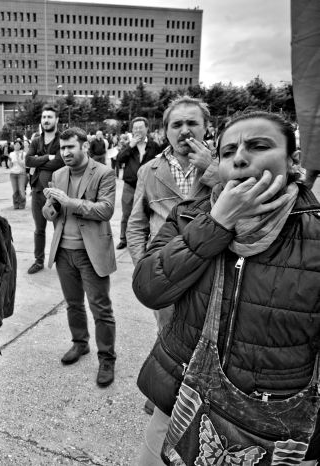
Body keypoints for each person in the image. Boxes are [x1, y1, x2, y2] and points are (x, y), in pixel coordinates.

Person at [134, 110, 320, 465]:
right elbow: (149, 287)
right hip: (182, 398)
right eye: (229, 151)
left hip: (269, 425)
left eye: (258, 146)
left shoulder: (314, 232)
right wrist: (218, 222)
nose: (240, 158)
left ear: (292, 160)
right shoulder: (190, 215)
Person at [126, 96, 218, 331]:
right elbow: (136, 225)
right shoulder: (149, 170)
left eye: (192, 123)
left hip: (212, 272)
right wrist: (144, 266)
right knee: (167, 335)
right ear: (166, 131)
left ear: (206, 127)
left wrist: (211, 168)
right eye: (177, 125)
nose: (185, 130)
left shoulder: (225, 164)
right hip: (166, 273)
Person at [42, 127, 117, 386]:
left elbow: (106, 210)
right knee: (73, 304)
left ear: (84, 146)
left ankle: (107, 358)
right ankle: (80, 342)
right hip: (64, 251)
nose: (65, 152)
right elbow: (51, 215)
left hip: (91, 252)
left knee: (100, 308)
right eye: (62, 148)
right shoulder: (58, 174)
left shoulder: (104, 173)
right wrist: (50, 205)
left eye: (70, 147)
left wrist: (69, 201)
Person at [25, 105, 65, 274]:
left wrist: (39, 160)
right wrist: (47, 157)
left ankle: (63, 262)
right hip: (37, 191)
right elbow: (28, 161)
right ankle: (38, 261)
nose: (46, 120)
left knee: (59, 229)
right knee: (39, 230)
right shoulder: (36, 141)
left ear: (56, 120)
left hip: (57, 193)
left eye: (49, 117)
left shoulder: (62, 140)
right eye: (44, 117)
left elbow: (59, 162)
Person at [115, 117, 162, 250]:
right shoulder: (128, 146)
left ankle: (145, 239)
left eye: (140, 127)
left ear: (147, 128)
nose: (138, 130)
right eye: (135, 128)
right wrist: (130, 146)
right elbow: (119, 159)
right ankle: (123, 239)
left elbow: (160, 163)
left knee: (148, 213)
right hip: (130, 185)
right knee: (126, 213)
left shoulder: (154, 146)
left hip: (148, 185)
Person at [8, 139, 27, 209]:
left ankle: (22, 204)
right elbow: (9, 166)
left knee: (21, 189)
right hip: (13, 174)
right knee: (15, 190)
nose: (16, 146)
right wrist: (10, 162)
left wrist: (18, 159)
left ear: (20, 146)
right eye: (15, 144)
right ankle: (16, 204)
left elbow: (24, 165)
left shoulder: (23, 154)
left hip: (21, 173)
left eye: (18, 144)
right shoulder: (11, 154)